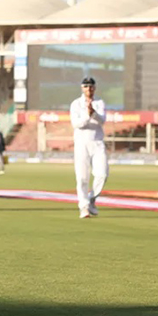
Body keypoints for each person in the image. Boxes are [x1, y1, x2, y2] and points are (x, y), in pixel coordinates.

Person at [70, 77, 108, 219]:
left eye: (91, 86)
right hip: (81, 143)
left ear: (95, 88)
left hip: (97, 142)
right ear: (82, 88)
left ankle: (91, 199)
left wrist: (94, 113)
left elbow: (102, 120)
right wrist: (87, 115)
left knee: (102, 174)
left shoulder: (99, 102)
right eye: (86, 86)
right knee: (82, 177)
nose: (89, 89)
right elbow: (77, 124)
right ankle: (84, 207)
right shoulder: (76, 104)